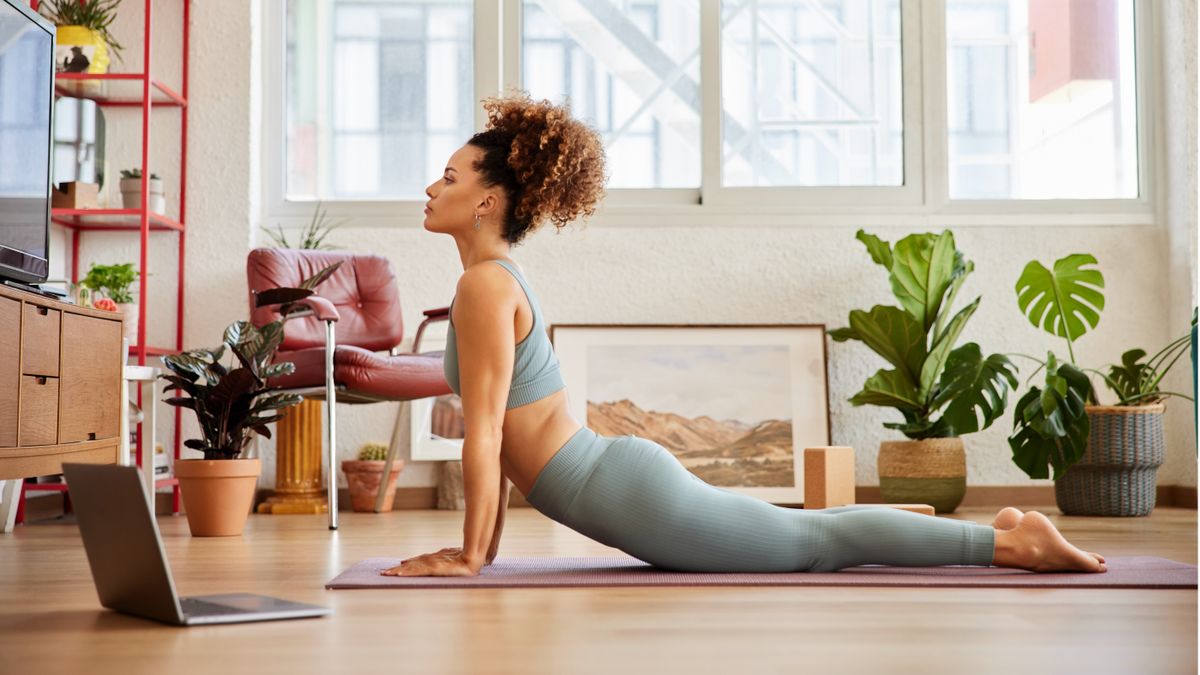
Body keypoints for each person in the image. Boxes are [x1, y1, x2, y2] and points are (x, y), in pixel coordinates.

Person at [382, 93, 1107, 578]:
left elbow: (484, 436)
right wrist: (481, 554)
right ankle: (1008, 529)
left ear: (486, 200)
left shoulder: (484, 287)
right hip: (612, 479)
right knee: (812, 534)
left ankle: (1010, 542)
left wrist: (471, 555)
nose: (430, 187)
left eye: (447, 177)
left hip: (623, 492)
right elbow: (500, 437)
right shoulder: (493, 279)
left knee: (814, 544)